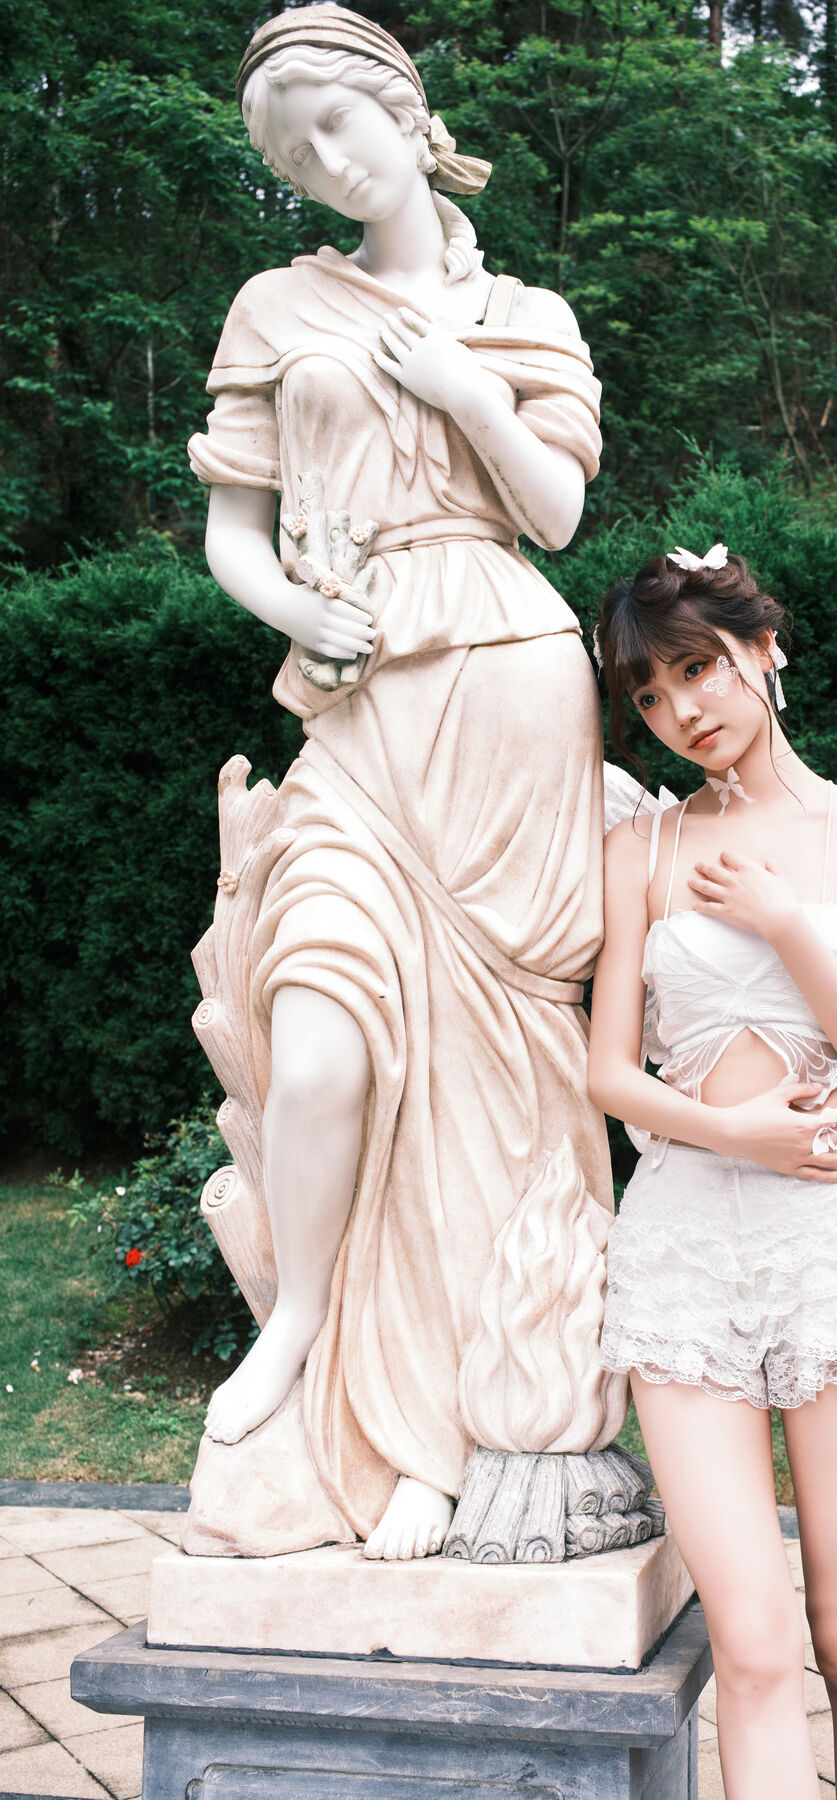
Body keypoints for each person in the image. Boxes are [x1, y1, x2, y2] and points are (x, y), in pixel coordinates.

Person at [187, 3, 611, 1560]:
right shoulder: (274, 307)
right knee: (318, 1050)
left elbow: (557, 514)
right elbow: (233, 532)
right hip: (357, 698)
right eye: (295, 151)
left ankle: (443, 1432)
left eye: (340, 123)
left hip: (509, 682)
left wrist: (466, 389)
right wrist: (295, 613)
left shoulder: (528, 313)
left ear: (408, 112)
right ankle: (303, 1321)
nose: (327, 161)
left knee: (495, 1084)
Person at [589, 545, 837, 1799]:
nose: (680, 710)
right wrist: (732, 1132)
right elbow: (608, 1074)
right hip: (685, 1250)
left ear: (764, 650)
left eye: (698, 670)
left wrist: (790, 924)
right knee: (752, 1648)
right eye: (649, 694)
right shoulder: (639, 847)